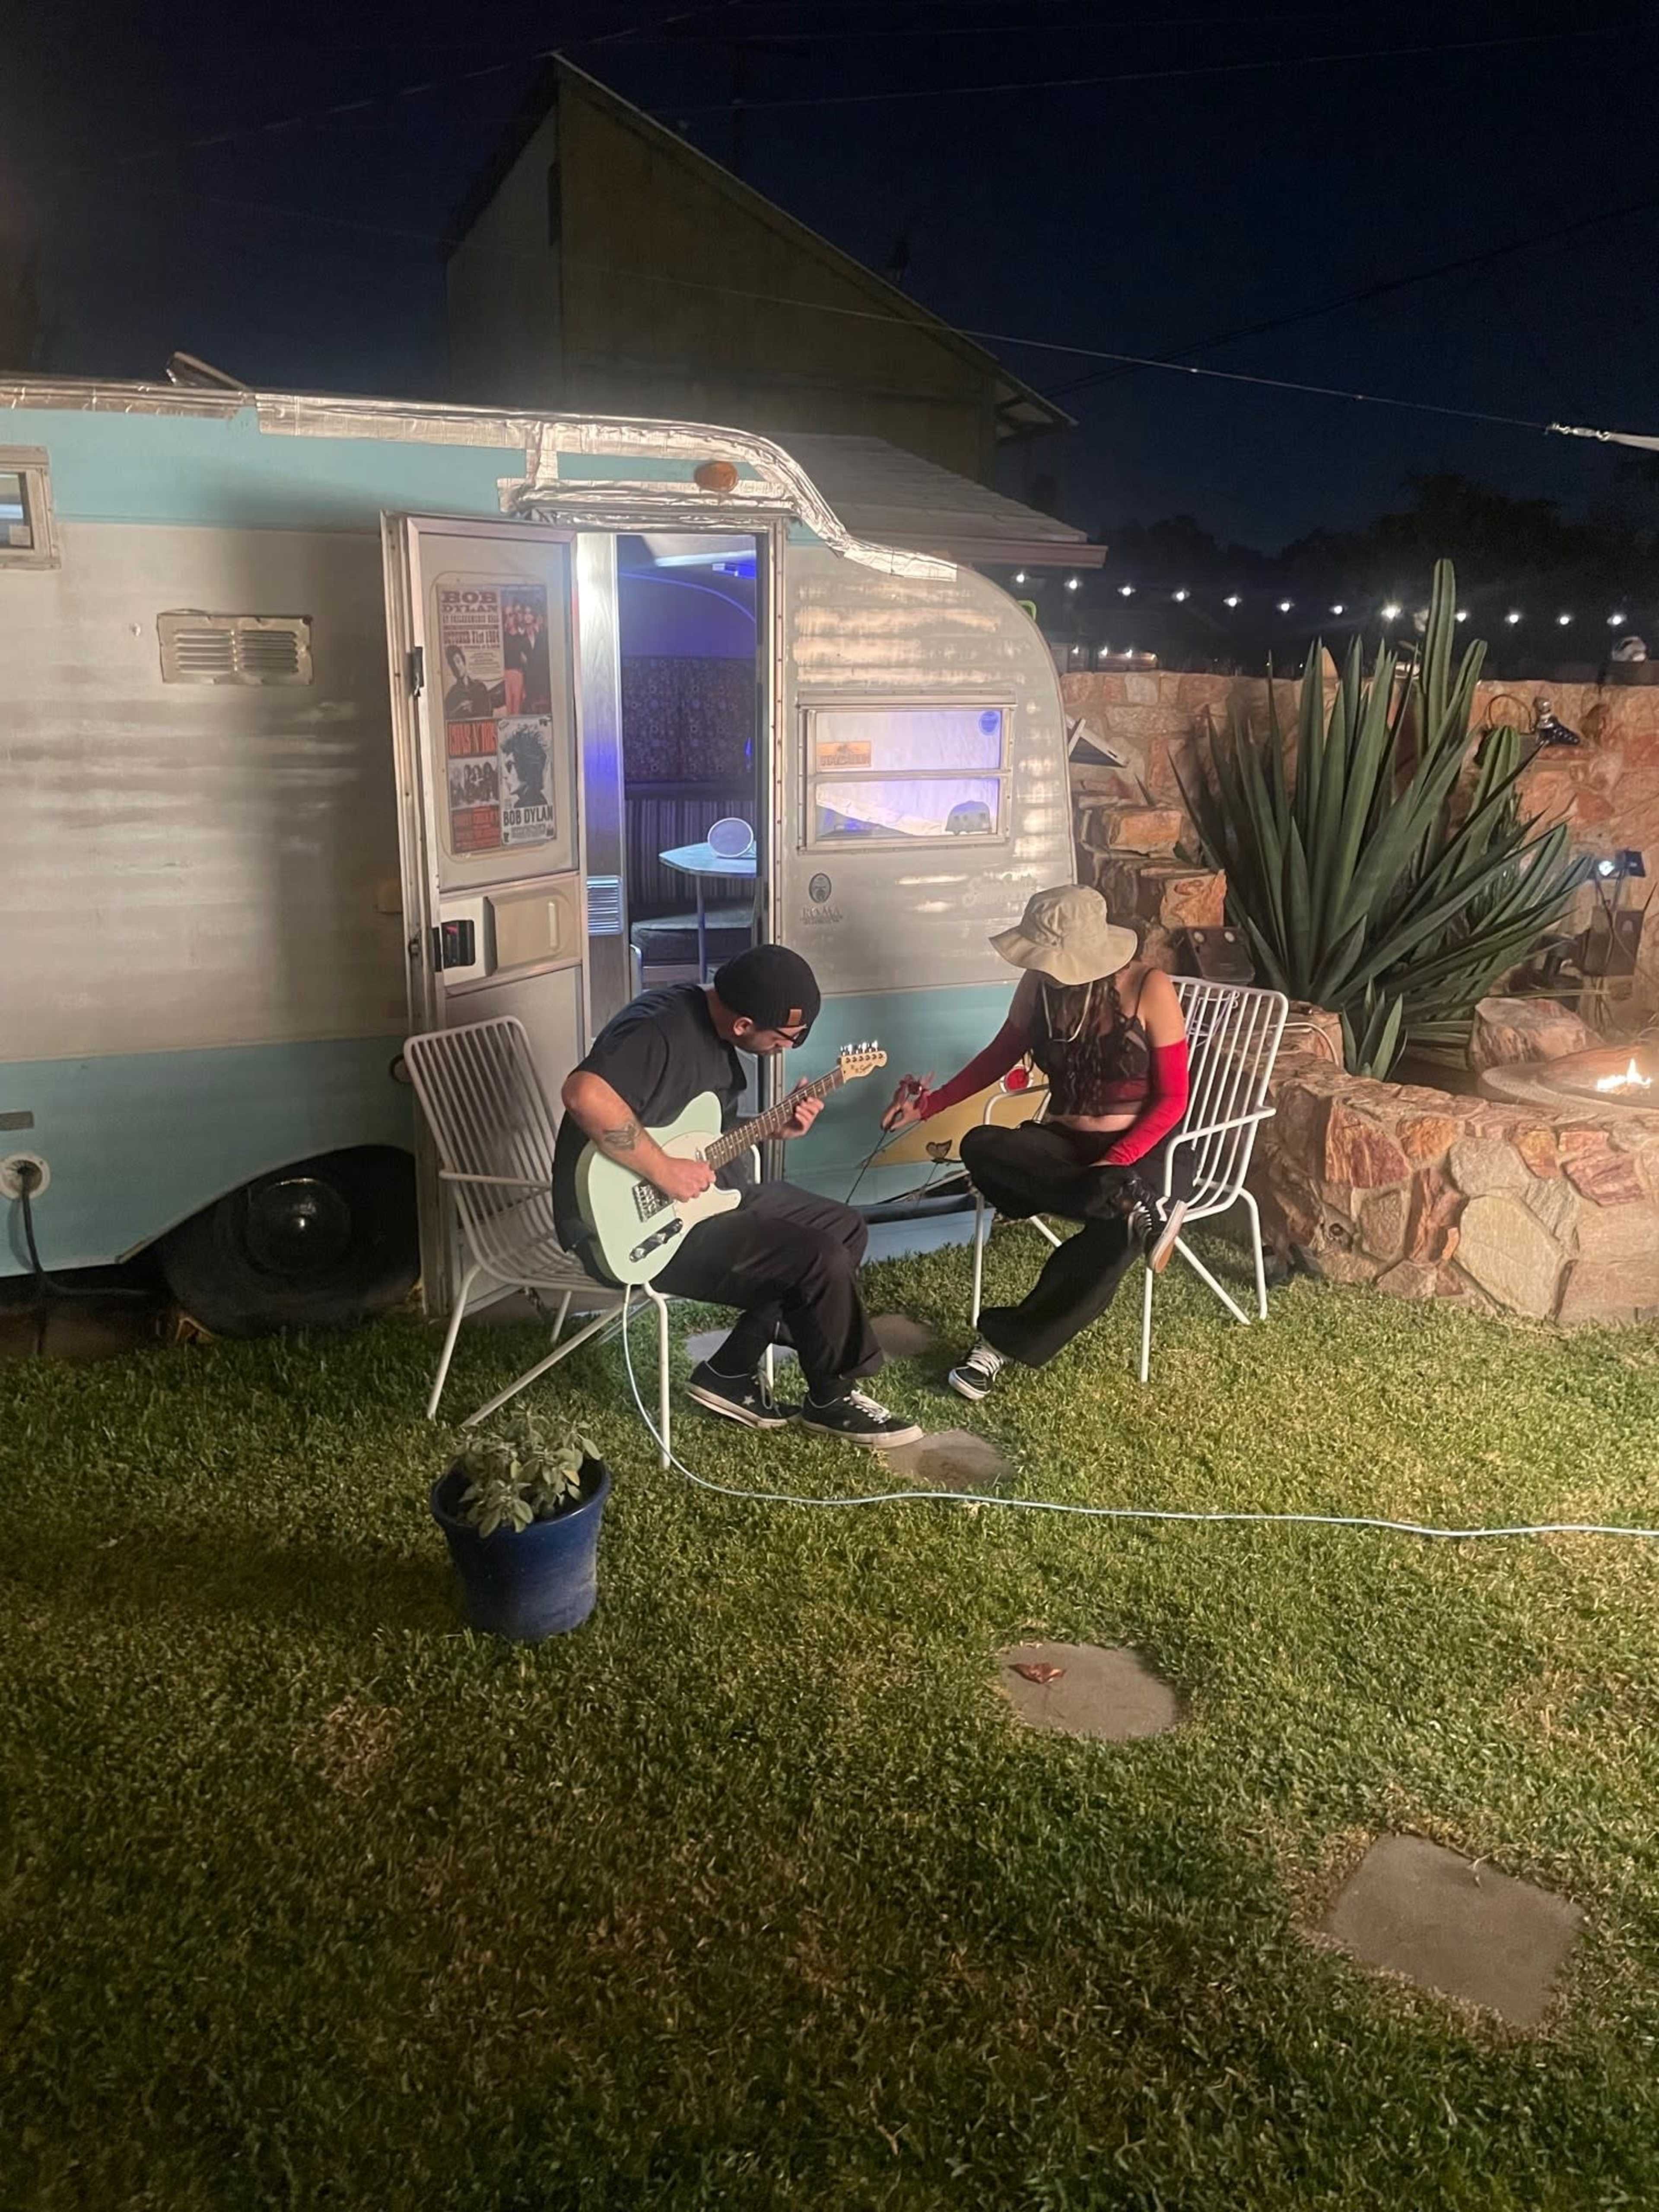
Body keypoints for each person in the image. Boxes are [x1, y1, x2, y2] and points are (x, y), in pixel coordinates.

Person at [553, 944, 921, 1449]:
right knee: (816, 1258)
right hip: (632, 1229)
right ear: (746, 1023)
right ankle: (833, 1398)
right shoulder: (659, 1029)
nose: (787, 1049)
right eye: (785, 1038)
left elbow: (699, 1137)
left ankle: (729, 1371)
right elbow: (584, 1095)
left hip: (706, 1200)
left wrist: (772, 1128)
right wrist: (662, 1170)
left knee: (842, 1228)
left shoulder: (716, 1032)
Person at [883, 884, 1190, 1400]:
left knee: (1111, 1240)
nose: (1045, 968)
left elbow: (1173, 1099)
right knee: (983, 1144)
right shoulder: (1037, 987)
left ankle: (996, 1348)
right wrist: (928, 1105)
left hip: (1144, 1153)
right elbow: (998, 1056)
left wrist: (1114, 1163)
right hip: (1067, 1153)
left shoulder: (1149, 987)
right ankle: (1132, 1206)